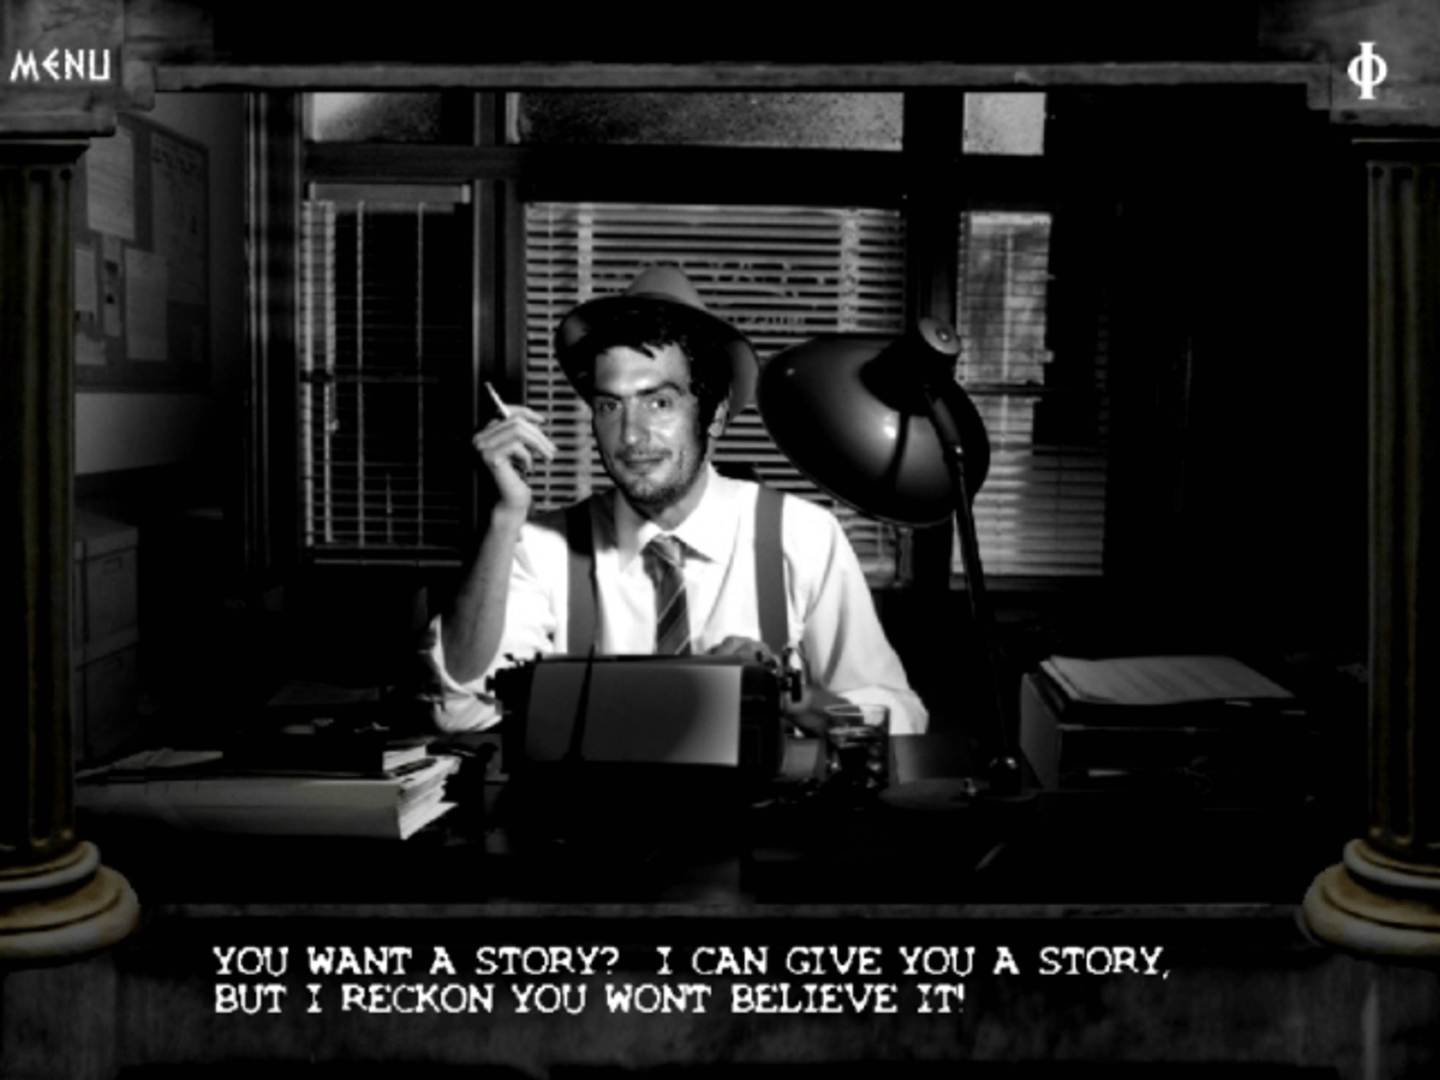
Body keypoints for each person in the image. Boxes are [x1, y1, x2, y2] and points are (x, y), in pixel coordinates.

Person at [422, 265, 927, 736]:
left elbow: (899, 717)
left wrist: (790, 697)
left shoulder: (804, 536)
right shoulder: (540, 545)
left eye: (659, 402)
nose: (631, 435)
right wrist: (506, 516)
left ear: (714, 416)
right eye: (609, 405)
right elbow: (460, 708)